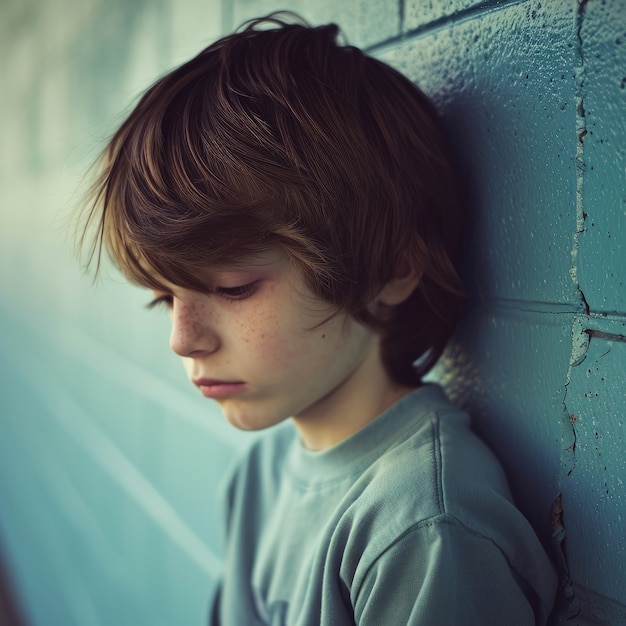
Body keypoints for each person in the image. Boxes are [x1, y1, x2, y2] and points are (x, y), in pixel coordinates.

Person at [79, 14, 557, 625]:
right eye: (164, 297)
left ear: (390, 268)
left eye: (232, 287)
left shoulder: (425, 524)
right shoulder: (264, 470)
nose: (182, 339)